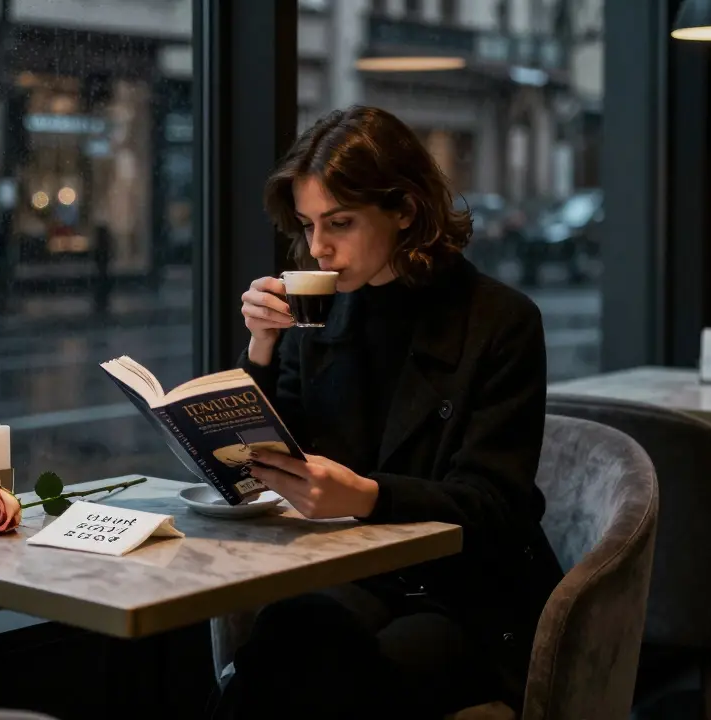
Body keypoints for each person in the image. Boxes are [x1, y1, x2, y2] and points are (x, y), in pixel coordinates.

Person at [213, 105, 565, 719]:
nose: (318, 249)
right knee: (290, 645)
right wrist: (261, 350)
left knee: (317, 672)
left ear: (404, 210)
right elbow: (261, 467)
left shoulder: (499, 321)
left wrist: (367, 496)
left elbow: (495, 505)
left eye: (340, 223)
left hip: (466, 596)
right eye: (307, 224)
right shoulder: (316, 318)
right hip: (351, 577)